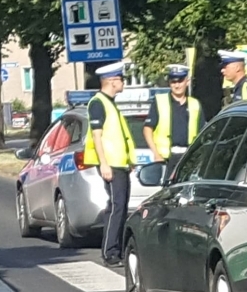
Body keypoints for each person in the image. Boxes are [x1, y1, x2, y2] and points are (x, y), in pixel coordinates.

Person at [85, 61, 134, 266]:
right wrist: (103, 163)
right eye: (121, 79)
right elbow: (97, 136)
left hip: (119, 163)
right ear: (112, 81)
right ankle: (110, 252)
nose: (123, 82)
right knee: (116, 207)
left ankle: (116, 249)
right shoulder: (98, 103)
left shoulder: (109, 103)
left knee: (119, 206)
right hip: (111, 164)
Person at [146, 63, 202, 163]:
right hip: (166, 158)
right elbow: (147, 129)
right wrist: (156, 154)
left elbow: (202, 133)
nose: (177, 85)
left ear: (187, 82)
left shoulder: (195, 104)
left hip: (188, 158)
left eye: (180, 81)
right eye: (173, 82)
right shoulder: (159, 101)